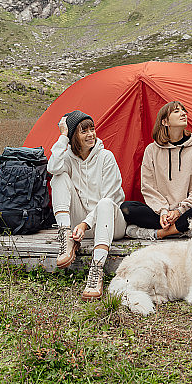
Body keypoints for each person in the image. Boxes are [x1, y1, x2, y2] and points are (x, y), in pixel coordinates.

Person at [48, 110, 126, 300]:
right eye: (84, 131)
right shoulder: (68, 158)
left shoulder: (106, 157)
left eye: (92, 129)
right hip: (78, 227)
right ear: (74, 135)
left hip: (110, 224)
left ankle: (96, 270)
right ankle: (65, 236)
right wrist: (63, 137)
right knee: (59, 178)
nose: (91, 134)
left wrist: (84, 224)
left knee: (106, 202)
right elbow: (52, 167)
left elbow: (111, 198)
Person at [121, 101, 192, 240]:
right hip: (161, 213)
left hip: (187, 211)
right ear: (165, 121)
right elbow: (148, 187)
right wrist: (164, 211)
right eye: (177, 111)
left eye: (184, 110)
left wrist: (179, 211)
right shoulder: (151, 150)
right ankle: (181, 229)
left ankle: (162, 233)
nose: (183, 113)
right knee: (127, 208)